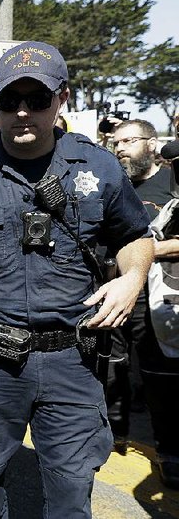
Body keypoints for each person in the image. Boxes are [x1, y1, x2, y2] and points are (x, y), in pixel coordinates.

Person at [0, 41, 153, 518]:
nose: (22, 112)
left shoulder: (98, 167)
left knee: (71, 492)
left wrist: (133, 278)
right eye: (9, 100)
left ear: (62, 98)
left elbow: (134, 236)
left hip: (72, 362)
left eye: (36, 100)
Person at [111, 119, 179, 487]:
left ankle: (169, 451)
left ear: (152, 145)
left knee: (159, 376)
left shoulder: (171, 183)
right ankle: (114, 433)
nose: (120, 148)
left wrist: (150, 250)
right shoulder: (111, 184)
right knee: (111, 366)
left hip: (158, 294)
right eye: (115, 142)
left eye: (129, 141)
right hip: (111, 289)